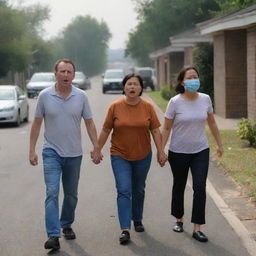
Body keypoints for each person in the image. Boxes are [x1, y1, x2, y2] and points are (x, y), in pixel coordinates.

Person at [29, 58, 102, 251]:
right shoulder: (44, 96)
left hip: (73, 154)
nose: (66, 75)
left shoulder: (81, 96)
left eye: (69, 72)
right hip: (51, 151)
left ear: (73, 75)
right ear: (55, 74)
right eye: (62, 72)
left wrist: (96, 147)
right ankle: (53, 235)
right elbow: (36, 124)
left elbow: (89, 123)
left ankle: (66, 223)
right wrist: (32, 150)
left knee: (71, 195)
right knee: (52, 192)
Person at [98, 73, 166, 245]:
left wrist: (160, 151)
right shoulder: (115, 107)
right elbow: (106, 130)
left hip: (143, 155)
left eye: (136, 84)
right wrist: (97, 149)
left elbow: (156, 131)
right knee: (124, 189)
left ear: (141, 88)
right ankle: (125, 228)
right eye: (129, 84)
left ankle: (137, 218)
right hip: (119, 154)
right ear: (124, 87)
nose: (132, 87)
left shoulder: (148, 107)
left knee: (139, 189)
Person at [161, 66, 223, 243]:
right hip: (178, 151)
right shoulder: (175, 102)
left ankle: (197, 227)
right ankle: (178, 219)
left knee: (199, 187)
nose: (193, 79)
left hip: (200, 151)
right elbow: (166, 127)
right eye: (189, 77)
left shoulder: (205, 99)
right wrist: (160, 150)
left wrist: (219, 144)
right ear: (182, 82)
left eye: (195, 76)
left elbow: (212, 122)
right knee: (179, 185)